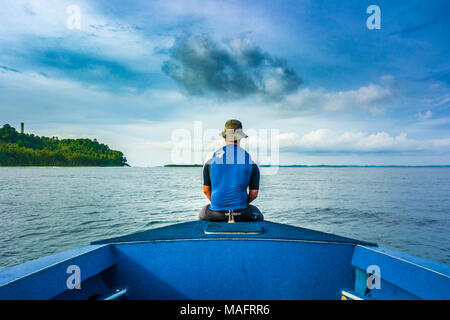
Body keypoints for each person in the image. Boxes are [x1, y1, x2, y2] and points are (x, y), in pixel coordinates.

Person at [198, 119, 264, 222]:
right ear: (240, 137)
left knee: (203, 212)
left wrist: (219, 204)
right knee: (257, 213)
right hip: (242, 214)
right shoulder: (252, 158)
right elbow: (254, 193)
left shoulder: (210, 157)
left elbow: (206, 190)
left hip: (215, 215)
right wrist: (239, 204)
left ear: (224, 136)